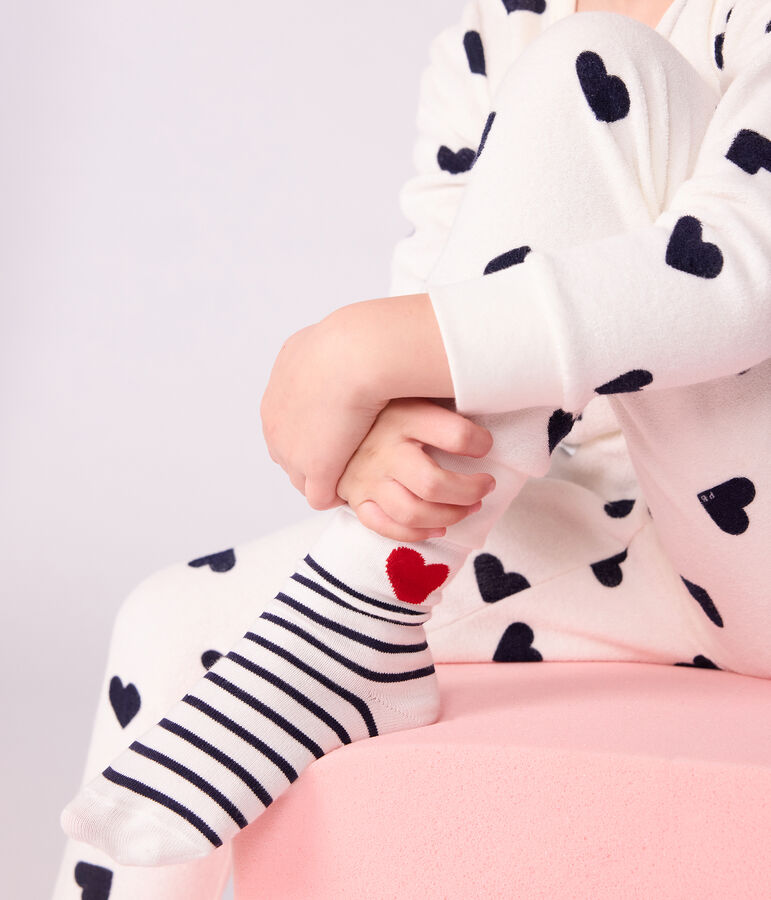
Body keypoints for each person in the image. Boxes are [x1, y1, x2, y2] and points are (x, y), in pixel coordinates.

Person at [53, 0, 771, 895]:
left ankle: (354, 612)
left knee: (599, 67)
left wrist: (358, 353)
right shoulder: (495, 30)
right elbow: (450, 302)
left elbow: (742, 273)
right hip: (623, 529)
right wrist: (391, 443)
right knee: (170, 623)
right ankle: (359, 608)